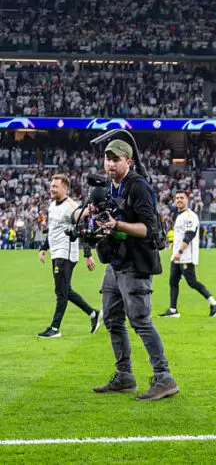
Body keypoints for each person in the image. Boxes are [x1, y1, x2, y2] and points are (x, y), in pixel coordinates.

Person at [74, 139, 179, 401]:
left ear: (128, 162)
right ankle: (125, 376)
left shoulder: (139, 187)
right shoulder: (107, 187)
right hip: (117, 262)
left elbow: (148, 229)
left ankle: (164, 377)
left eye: (116, 159)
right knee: (111, 317)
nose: (110, 163)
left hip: (136, 262)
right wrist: (87, 212)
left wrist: (117, 225)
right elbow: (78, 216)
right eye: (107, 159)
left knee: (140, 320)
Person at [37, 174, 101, 339]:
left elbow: (80, 220)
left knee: (61, 292)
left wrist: (87, 254)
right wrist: (44, 248)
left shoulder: (71, 206)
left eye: (55, 186)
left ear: (64, 188)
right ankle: (94, 314)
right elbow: (53, 229)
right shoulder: (52, 205)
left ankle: (55, 328)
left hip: (65, 254)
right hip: (56, 252)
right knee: (66, 290)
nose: (52, 189)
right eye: (51, 186)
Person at [159, 190, 216, 318]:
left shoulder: (190, 216)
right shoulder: (179, 215)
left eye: (182, 198)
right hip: (176, 256)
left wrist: (180, 252)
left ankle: (214, 302)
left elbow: (189, 235)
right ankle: (173, 310)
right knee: (173, 282)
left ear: (188, 200)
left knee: (192, 282)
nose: (179, 200)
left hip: (185, 256)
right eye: (177, 198)